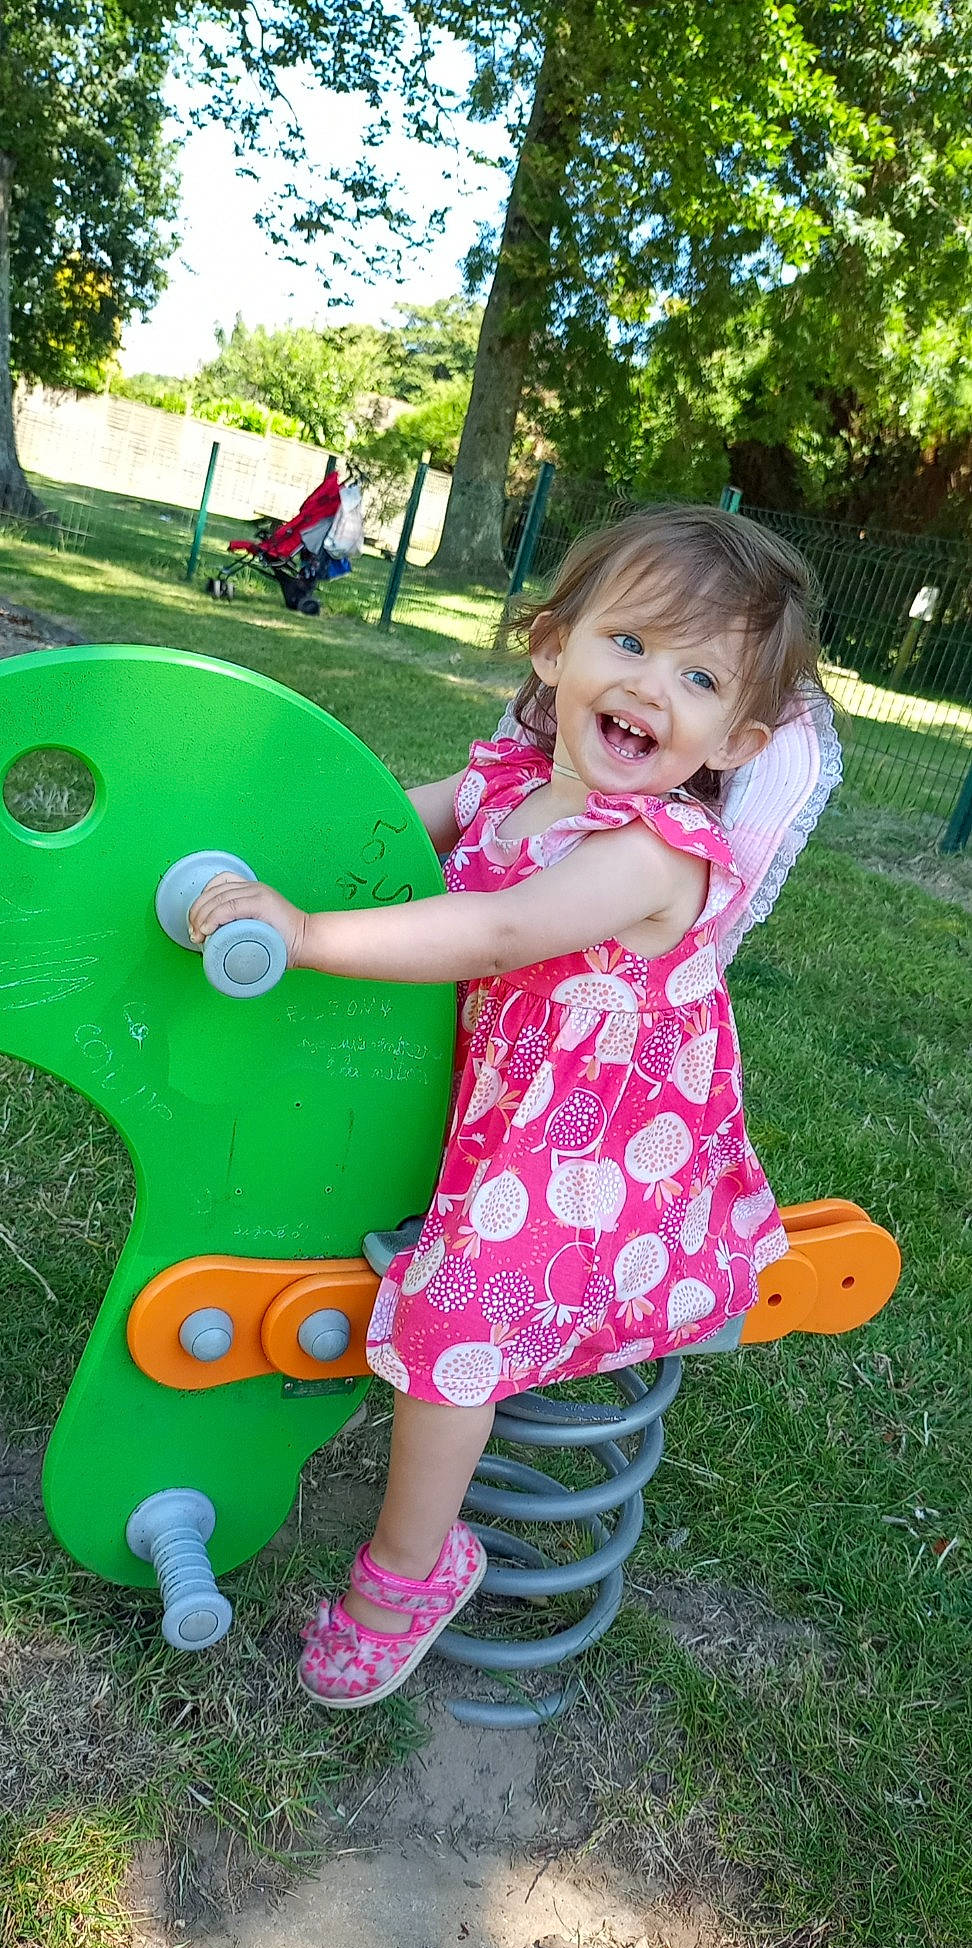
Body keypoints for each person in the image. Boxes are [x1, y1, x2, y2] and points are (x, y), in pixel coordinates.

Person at [189, 504, 841, 1711]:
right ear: (553, 649)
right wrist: (267, 860)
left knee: (457, 1319)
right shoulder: (502, 778)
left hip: (593, 1147)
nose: (653, 687)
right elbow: (375, 833)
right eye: (631, 643)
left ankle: (408, 1568)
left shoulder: (658, 851)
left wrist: (310, 934)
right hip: (498, 1099)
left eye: (698, 676)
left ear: (735, 737)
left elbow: (497, 928)